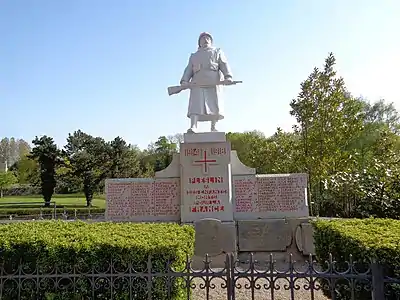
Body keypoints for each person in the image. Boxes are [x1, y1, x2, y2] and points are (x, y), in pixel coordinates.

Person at [180, 32, 233, 133]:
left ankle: (213, 127)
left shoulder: (217, 52)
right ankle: (193, 126)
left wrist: (228, 76)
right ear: (199, 42)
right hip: (197, 83)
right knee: (195, 105)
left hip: (213, 82)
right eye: (203, 38)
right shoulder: (194, 56)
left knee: (214, 104)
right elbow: (188, 69)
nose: (205, 40)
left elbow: (224, 64)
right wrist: (184, 80)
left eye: (208, 38)